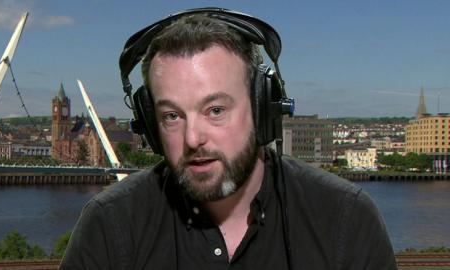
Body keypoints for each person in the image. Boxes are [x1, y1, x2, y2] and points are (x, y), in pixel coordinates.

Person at [60, 7, 397, 270]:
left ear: (262, 109)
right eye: (172, 116)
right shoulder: (110, 225)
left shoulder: (345, 219)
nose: (193, 138)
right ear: (150, 125)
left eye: (216, 110)